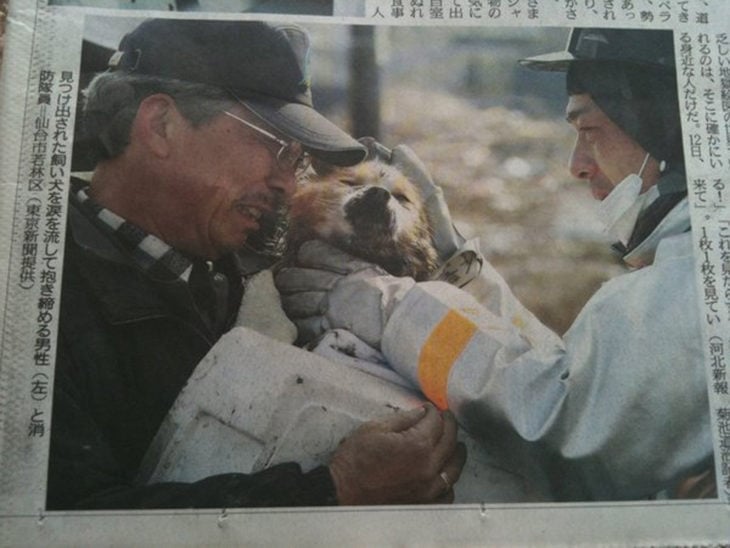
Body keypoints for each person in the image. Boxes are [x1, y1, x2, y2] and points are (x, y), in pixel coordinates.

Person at [277, 27, 716, 501]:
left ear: (665, 128)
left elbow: (556, 429)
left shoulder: (689, 285)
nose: (577, 165)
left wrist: (387, 307)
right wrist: (462, 274)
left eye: (590, 130)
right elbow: (567, 377)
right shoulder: (684, 270)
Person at [48, 18, 466, 509]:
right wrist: (333, 491)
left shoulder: (259, 271)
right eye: (274, 146)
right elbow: (61, 522)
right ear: (160, 125)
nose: (289, 185)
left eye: (297, 161)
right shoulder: (37, 300)